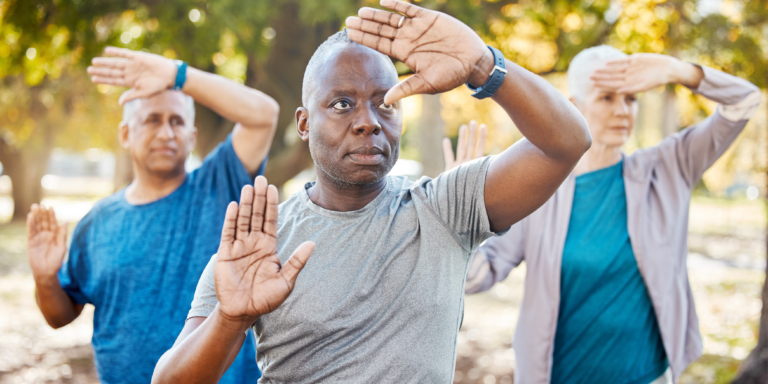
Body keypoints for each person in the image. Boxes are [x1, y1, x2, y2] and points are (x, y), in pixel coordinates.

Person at [151, 0, 591, 382]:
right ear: (304, 124)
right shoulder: (260, 244)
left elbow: (567, 143)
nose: (368, 121)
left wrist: (483, 66)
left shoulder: (444, 208)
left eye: (385, 103)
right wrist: (231, 318)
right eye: (342, 104)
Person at [464, 45, 762, 384]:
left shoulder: (668, 167)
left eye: (631, 98)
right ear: (574, 107)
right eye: (607, 98)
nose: (623, 111)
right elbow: (476, 277)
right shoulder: (539, 189)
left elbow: (745, 101)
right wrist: (462, 216)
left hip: (646, 376)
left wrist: (679, 71)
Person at [25, 47, 279, 383]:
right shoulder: (97, 222)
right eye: (152, 119)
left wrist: (178, 75)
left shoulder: (218, 184)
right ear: (125, 134)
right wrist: (45, 279)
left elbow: (264, 114)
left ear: (191, 138)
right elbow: (59, 316)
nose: (166, 132)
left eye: (176, 122)